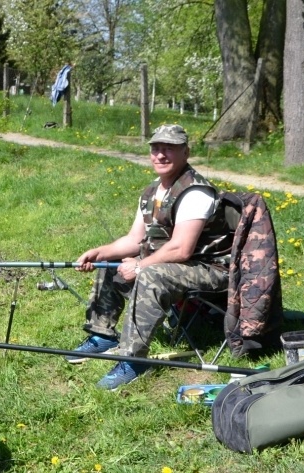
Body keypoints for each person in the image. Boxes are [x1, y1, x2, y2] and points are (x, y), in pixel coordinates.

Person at [68, 124, 234, 390]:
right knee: (110, 263)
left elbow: (181, 248)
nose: (160, 155)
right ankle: (103, 336)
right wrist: (100, 252)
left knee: (149, 274)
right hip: (177, 264)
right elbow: (134, 240)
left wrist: (140, 265)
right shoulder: (151, 191)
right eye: (156, 148)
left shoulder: (195, 192)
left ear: (186, 152)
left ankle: (133, 360)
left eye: (168, 148)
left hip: (210, 268)